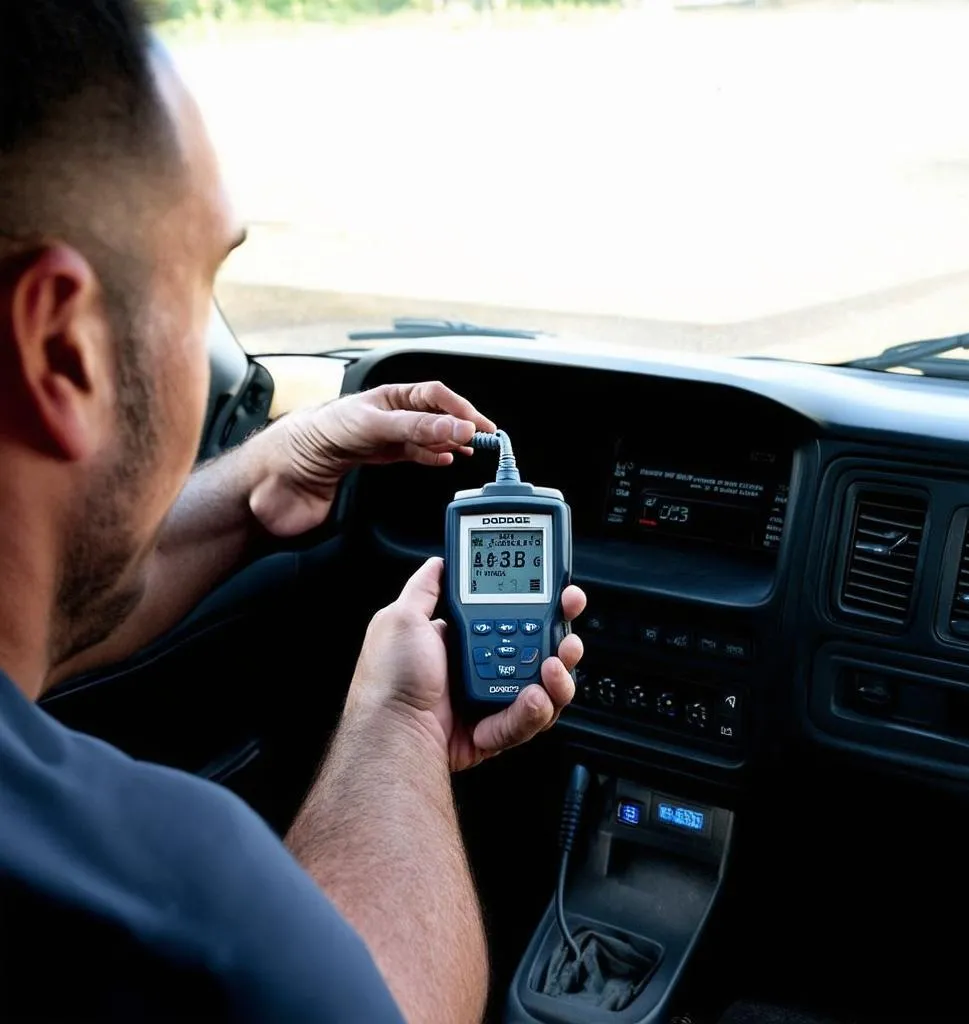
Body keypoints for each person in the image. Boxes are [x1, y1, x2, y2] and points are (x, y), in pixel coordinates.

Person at [0, 3, 586, 1022]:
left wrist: (259, 478)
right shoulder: (179, 916)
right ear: (62, 349)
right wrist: (400, 716)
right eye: (201, 290)